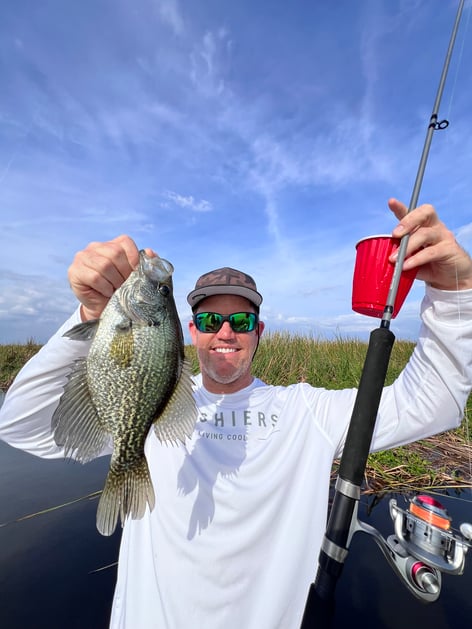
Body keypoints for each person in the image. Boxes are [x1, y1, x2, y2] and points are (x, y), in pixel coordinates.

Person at [1, 198, 472, 629]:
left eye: (240, 320)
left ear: (259, 330)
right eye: (209, 320)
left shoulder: (307, 410)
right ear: (190, 331)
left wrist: (457, 291)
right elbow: (19, 424)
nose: (225, 331)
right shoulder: (152, 404)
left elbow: (434, 402)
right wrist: (87, 313)